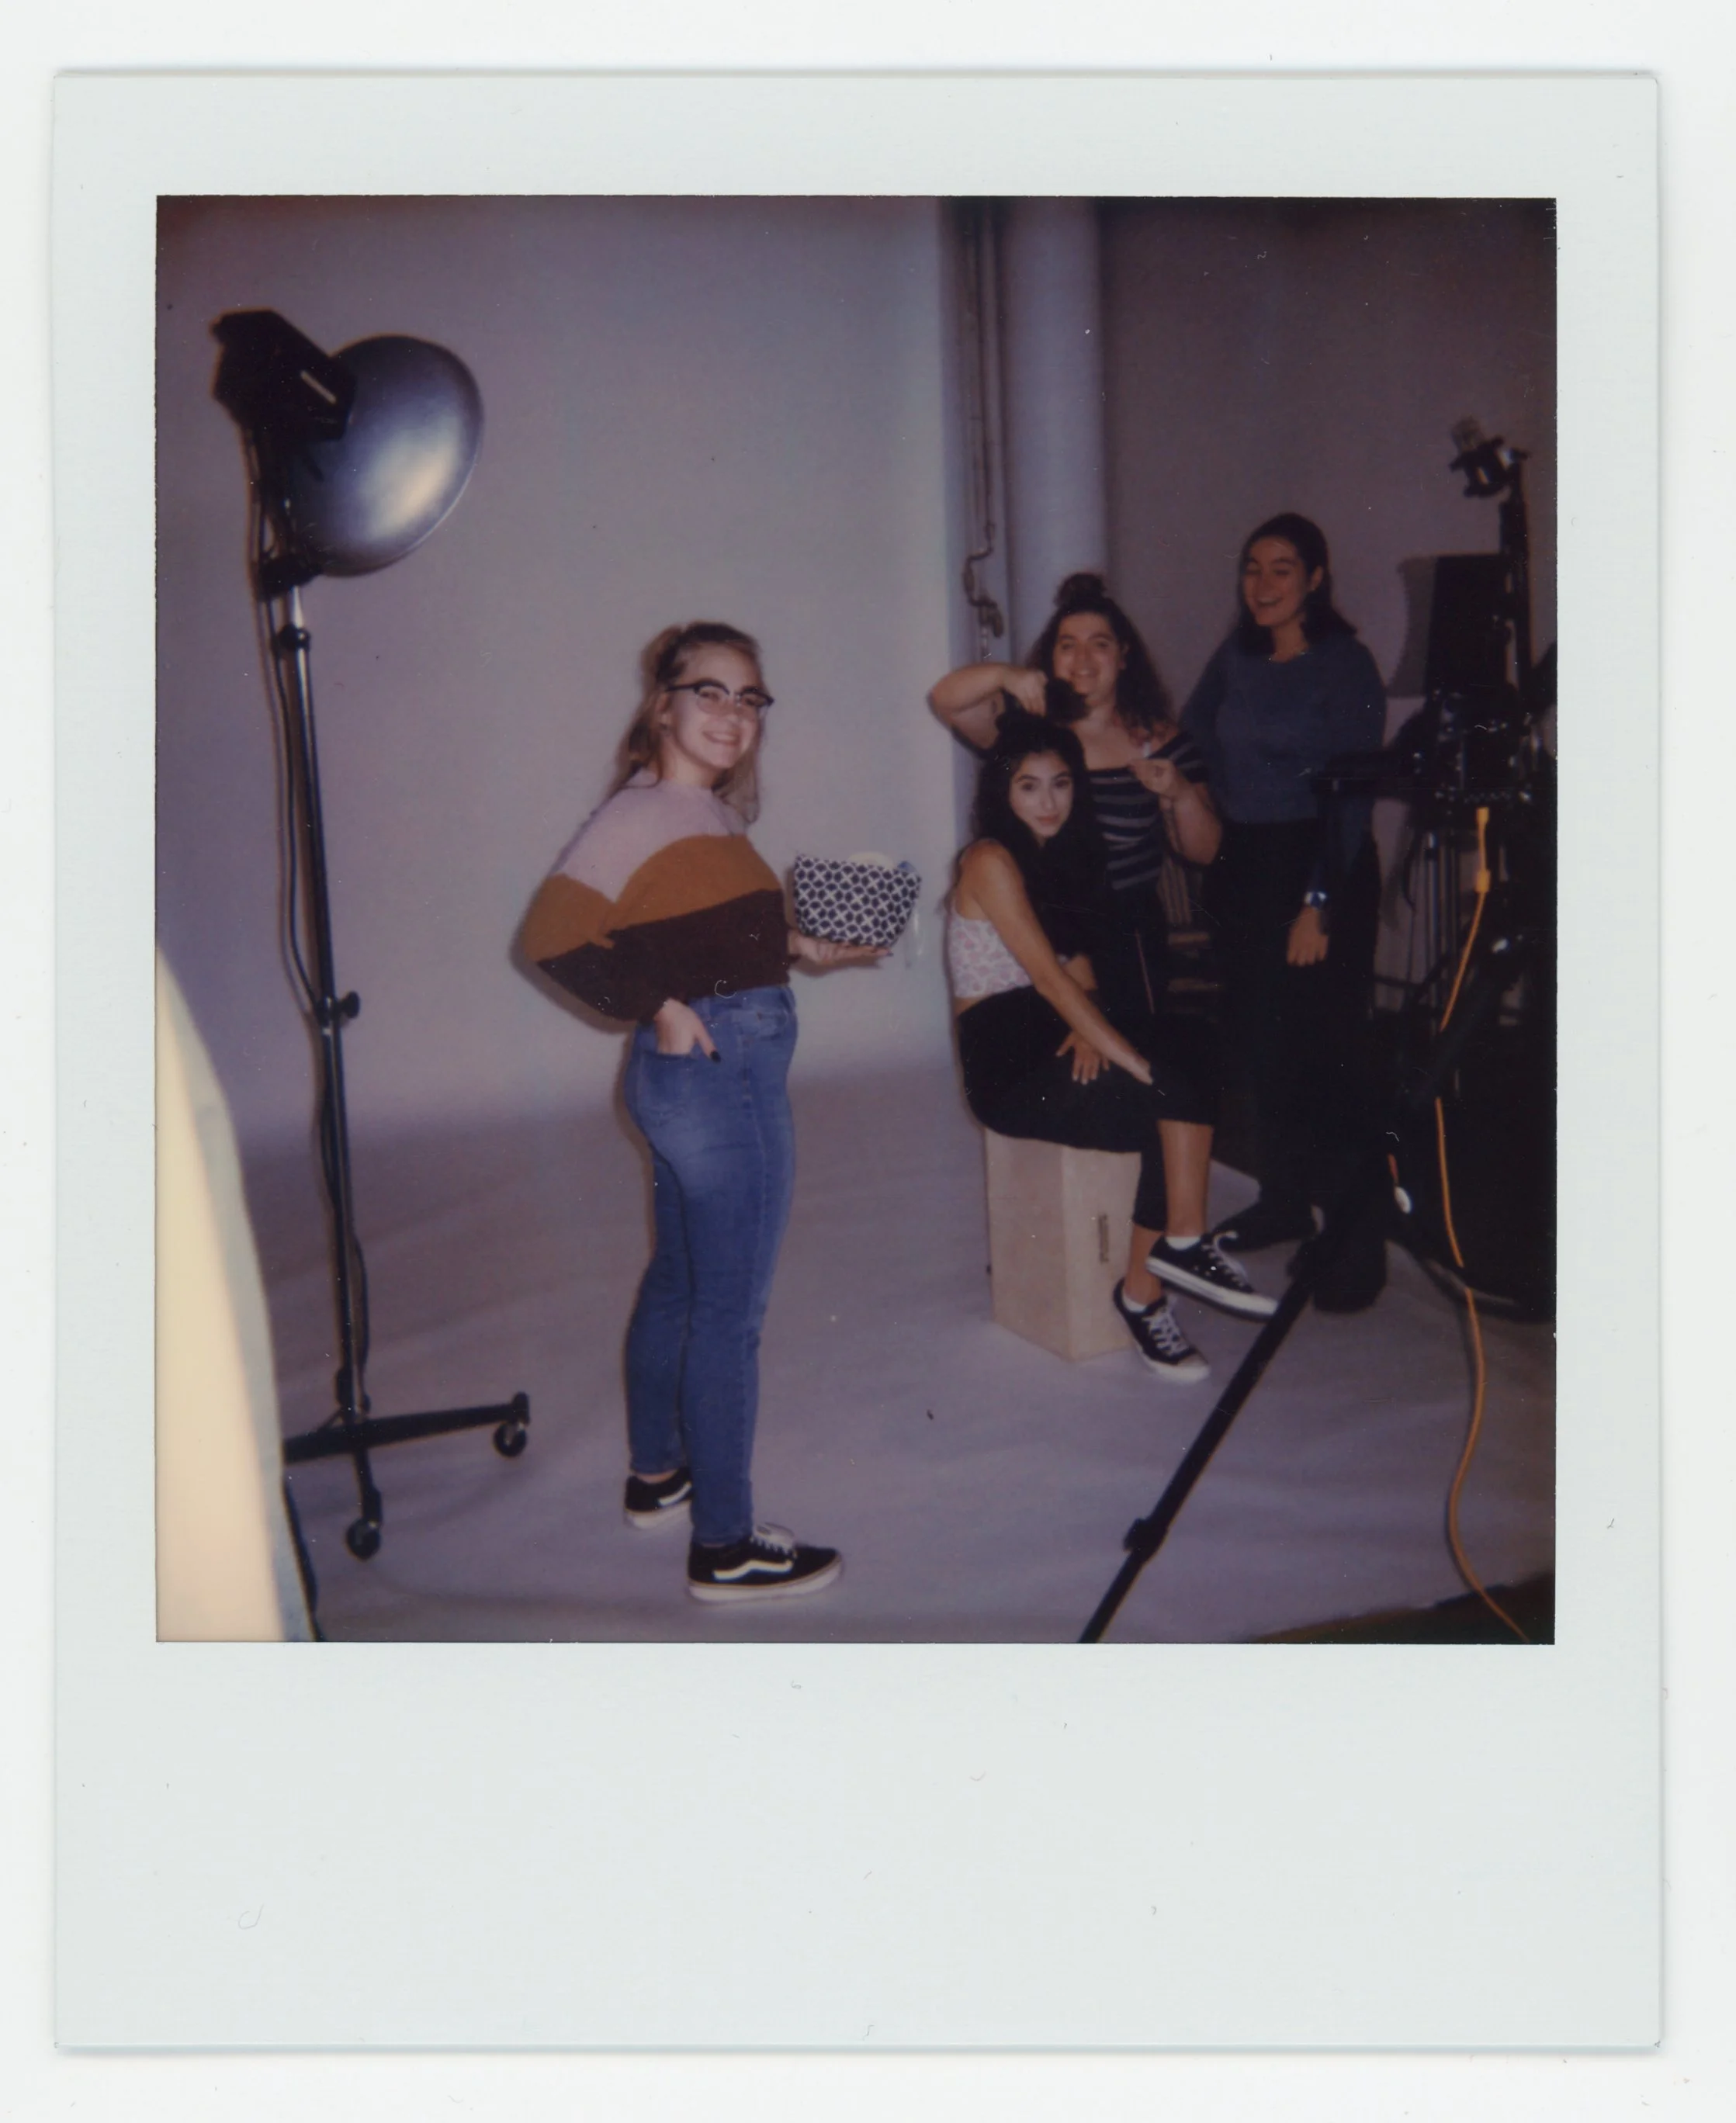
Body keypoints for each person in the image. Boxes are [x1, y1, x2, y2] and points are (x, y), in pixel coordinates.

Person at [520, 621, 884, 1602]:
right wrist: (660, 1007)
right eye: (709, 692)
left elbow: (703, 941)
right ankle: (724, 1545)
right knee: (729, 1313)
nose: (732, 714)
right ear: (662, 706)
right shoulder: (640, 813)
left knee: (682, 1284)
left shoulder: (708, 816)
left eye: (749, 698)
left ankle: (657, 1476)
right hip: (720, 1082)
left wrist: (806, 948)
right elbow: (551, 937)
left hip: (702, 1077)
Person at [948, 710, 1276, 1384]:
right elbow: (1047, 977)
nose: (1049, 802)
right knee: (1161, 1089)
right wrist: (1128, 1056)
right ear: (1002, 791)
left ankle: (1177, 1246)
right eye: (1029, 786)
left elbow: (1081, 974)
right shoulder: (989, 859)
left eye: (1061, 784)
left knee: (1193, 1042)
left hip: (1053, 1030)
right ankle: (1151, 1287)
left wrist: (1089, 1024)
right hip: (1004, 1062)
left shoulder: (1063, 857)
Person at [1180, 513, 1388, 1311]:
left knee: (1326, 1058)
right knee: (1261, 1046)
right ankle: (1282, 1201)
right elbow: (1192, 730)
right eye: (1251, 568)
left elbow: (1351, 795)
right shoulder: (1236, 656)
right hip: (1249, 865)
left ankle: (1355, 1248)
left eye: (1281, 569)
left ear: (1315, 579)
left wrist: (1318, 903)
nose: (1262, 585)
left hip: (1318, 862)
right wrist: (1204, 797)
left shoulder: (1344, 663)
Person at [929, 572, 1221, 1034]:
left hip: (1126, 933)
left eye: (1099, 644)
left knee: (1134, 1052)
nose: (1082, 659)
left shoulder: (1161, 740)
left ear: (1123, 655)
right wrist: (1005, 674)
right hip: (1036, 924)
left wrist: (1181, 793)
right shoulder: (1027, 731)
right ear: (1052, 657)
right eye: (1068, 645)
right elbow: (946, 700)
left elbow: (1205, 852)